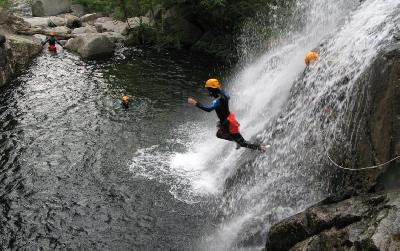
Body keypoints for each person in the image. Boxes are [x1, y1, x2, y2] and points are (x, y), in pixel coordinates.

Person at [188, 78, 269, 151]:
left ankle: (261, 147)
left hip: (229, 123)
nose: (207, 91)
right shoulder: (224, 95)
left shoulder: (217, 101)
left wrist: (195, 103)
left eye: (208, 89)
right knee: (219, 133)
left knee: (242, 142)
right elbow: (222, 92)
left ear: (211, 90)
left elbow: (208, 109)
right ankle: (237, 141)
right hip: (228, 119)